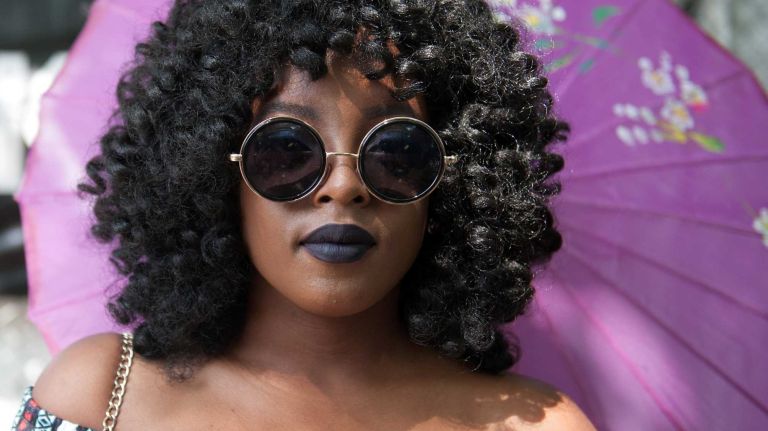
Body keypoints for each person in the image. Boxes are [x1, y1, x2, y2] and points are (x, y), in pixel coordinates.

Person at [12, 0, 596, 429]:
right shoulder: (100, 395)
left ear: (454, 183)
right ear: (215, 173)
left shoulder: (537, 427)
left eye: (397, 152)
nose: (343, 186)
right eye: (286, 150)